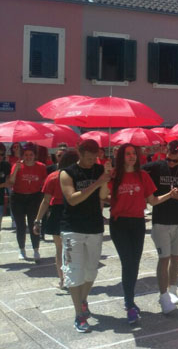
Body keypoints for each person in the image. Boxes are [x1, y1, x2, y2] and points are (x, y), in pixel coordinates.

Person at [110, 143, 178, 324]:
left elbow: (152, 201)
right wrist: (104, 178)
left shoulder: (143, 176)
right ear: (121, 157)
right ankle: (129, 303)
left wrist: (170, 195)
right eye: (127, 154)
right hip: (119, 224)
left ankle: (130, 300)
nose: (131, 156)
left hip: (138, 223)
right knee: (127, 263)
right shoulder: (113, 175)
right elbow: (103, 196)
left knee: (134, 263)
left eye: (134, 153)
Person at [59, 139, 112, 333]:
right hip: (73, 227)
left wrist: (105, 179)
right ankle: (78, 315)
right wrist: (97, 183)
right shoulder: (67, 173)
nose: (92, 162)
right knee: (74, 272)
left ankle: (83, 300)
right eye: (88, 159)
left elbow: (103, 196)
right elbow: (73, 199)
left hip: (94, 227)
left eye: (94, 158)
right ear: (79, 155)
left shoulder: (98, 170)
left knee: (91, 271)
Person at [142, 140, 178, 314]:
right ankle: (163, 294)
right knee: (164, 258)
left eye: (174, 160)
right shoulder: (157, 167)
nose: (171, 163)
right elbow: (137, 170)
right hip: (161, 219)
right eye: (168, 159)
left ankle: (173, 289)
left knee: (176, 257)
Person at [34, 149, 80, 289]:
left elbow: (46, 201)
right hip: (76, 212)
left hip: (57, 211)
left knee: (60, 248)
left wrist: (37, 220)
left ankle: (62, 280)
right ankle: (75, 278)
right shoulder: (79, 176)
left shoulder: (53, 176)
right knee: (74, 249)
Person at [5, 143, 47, 260]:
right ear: (23, 155)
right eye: (26, 155)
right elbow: (11, 183)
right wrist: (15, 170)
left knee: (34, 224)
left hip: (34, 197)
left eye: (31, 155)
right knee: (20, 225)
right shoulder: (16, 165)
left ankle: (36, 250)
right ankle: (22, 250)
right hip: (18, 197)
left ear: (34, 155)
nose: (28, 157)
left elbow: (44, 183)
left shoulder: (41, 166)